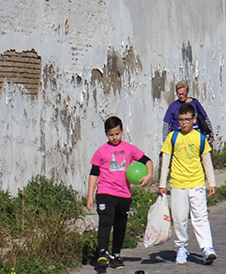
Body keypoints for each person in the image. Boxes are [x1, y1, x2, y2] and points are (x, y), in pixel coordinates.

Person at [88, 116, 153, 269]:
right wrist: (90, 195)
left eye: (117, 134)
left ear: (122, 131)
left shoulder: (129, 148)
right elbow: (94, 173)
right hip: (105, 191)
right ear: (106, 134)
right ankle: (103, 251)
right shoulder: (101, 151)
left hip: (123, 194)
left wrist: (149, 175)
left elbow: (147, 160)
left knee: (120, 224)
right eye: (111, 135)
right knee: (106, 220)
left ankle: (115, 255)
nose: (114, 137)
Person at [160, 103, 216, 264]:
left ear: (194, 120)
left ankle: (207, 247)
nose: (183, 123)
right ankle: (181, 247)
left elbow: (207, 161)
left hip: (197, 182)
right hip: (178, 184)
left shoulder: (199, 138)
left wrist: (211, 183)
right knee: (179, 217)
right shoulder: (173, 137)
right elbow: (165, 161)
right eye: (181, 120)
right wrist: (162, 184)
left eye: (187, 119)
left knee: (200, 216)